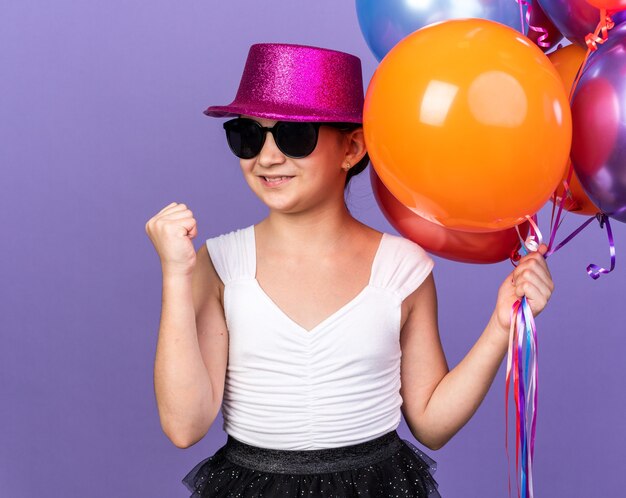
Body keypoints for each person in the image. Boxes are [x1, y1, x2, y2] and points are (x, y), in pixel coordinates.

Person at [145, 43, 554, 497]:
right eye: (247, 135)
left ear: (352, 147)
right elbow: (185, 426)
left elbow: (432, 423)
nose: (266, 157)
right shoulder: (221, 265)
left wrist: (501, 325)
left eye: (293, 136)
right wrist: (176, 276)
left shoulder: (402, 269)